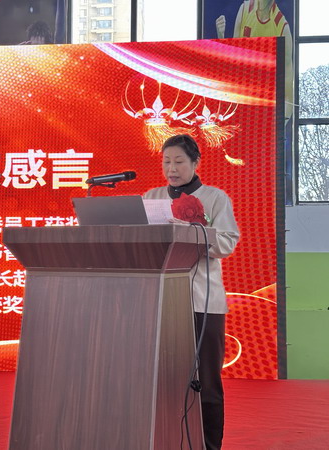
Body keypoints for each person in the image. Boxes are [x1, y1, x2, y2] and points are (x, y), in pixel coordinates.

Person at [144, 134, 240, 450]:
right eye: (166, 162)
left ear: (196, 162)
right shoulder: (152, 197)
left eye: (179, 161)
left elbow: (226, 242)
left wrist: (191, 232)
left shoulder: (214, 197)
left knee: (207, 382)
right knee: (163, 380)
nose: (171, 169)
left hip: (203, 302)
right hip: (161, 301)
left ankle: (209, 446)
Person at [215, 0, 293, 119]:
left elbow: (288, 95)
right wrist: (221, 37)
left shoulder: (282, 29)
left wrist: (279, 126)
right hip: (240, 98)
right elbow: (233, 64)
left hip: (265, 107)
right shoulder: (245, 10)